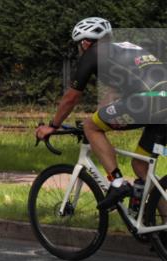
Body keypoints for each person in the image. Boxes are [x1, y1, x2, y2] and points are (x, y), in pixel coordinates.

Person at [35, 18, 167, 211]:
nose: (80, 49)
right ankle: (164, 226)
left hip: (148, 100)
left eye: (79, 45)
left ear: (86, 42)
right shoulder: (126, 48)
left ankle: (117, 183)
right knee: (140, 166)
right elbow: (112, 94)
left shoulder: (93, 53)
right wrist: (98, 117)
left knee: (90, 126)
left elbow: (71, 97)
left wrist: (53, 125)